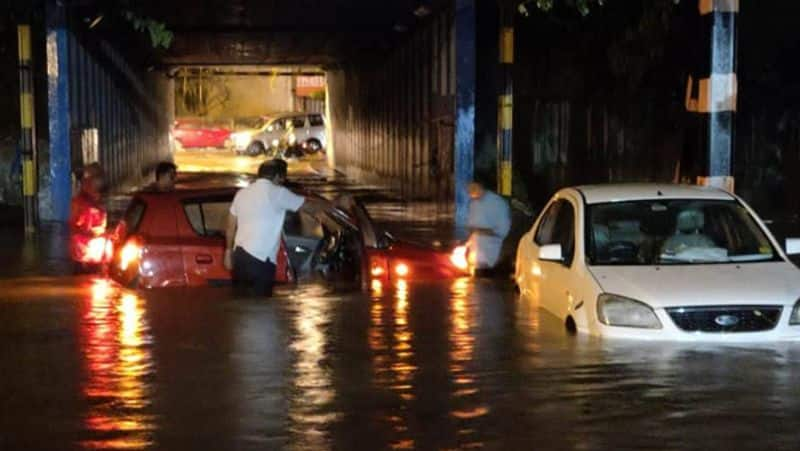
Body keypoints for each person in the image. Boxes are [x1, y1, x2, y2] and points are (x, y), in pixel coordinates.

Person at [224, 159, 327, 297]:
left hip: (240, 258)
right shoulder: (278, 193)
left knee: (244, 303)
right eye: (283, 178)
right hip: (260, 261)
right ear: (278, 177)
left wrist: (228, 252)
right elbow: (311, 208)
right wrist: (336, 203)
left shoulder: (242, 193)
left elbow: (230, 227)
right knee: (261, 310)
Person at [70, 162, 110, 272]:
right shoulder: (83, 203)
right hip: (85, 254)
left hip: (92, 253)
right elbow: (77, 227)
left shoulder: (95, 201)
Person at [467, 181, 511, 274]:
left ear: (480, 186)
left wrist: (483, 231)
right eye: (469, 189)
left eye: (473, 188)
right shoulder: (473, 203)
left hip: (491, 253)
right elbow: (472, 226)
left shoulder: (497, 203)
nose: (470, 192)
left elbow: (503, 230)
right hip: (476, 254)